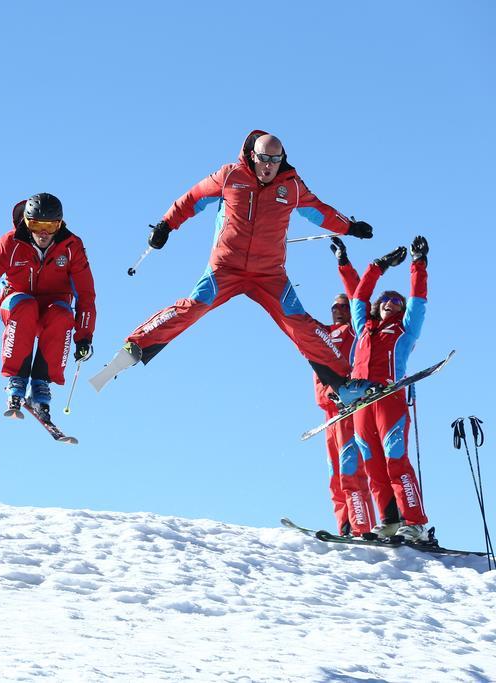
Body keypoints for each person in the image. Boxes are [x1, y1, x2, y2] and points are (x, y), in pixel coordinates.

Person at [92, 130, 377, 405]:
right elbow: (193, 199)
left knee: (297, 322)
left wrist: (349, 227)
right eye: (264, 159)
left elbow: (318, 210)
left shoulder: (291, 186)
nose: (269, 167)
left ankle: (342, 385)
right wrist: (166, 225)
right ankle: (134, 347)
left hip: (269, 274)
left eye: (275, 161)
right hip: (225, 268)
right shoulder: (230, 175)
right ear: (253, 156)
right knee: (194, 307)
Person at [0, 193, 96, 416]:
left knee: (62, 314)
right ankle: (17, 381)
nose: (43, 233)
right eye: (36, 224)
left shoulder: (72, 248)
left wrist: (84, 337)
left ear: (60, 225)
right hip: (17, 304)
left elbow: (86, 295)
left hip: (53, 309)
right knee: (26, 306)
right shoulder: (11, 244)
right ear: (26, 223)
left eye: (50, 227)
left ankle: (41, 385)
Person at [347, 235, 431, 541]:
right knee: (372, 463)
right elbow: (358, 297)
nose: (391, 304)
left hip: (389, 396)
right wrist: (377, 266)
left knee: (396, 458)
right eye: (386, 300)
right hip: (360, 402)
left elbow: (418, 299)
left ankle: (415, 522)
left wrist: (418, 264)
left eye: (397, 302)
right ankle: (390, 520)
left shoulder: (405, 330)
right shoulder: (364, 327)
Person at [317, 237, 375, 537]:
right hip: (329, 410)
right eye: (334, 307)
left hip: (350, 404)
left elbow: (357, 294)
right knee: (334, 473)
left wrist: (343, 261)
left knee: (352, 466)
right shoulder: (321, 333)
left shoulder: (355, 331)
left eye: (342, 307)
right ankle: (345, 525)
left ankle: (363, 524)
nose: (337, 311)